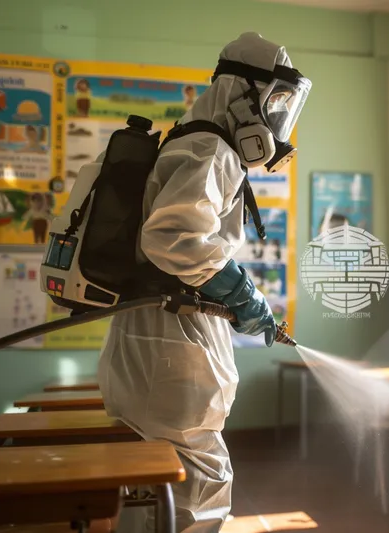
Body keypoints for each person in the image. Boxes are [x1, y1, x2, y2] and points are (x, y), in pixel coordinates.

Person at [96, 32, 310, 533]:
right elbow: (171, 237)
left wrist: (234, 289)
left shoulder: (195, 139)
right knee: (197, 482)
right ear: (242, 92)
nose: (278, 117)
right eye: (273, 99)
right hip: (172, 341)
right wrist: (241, 291)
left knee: (156, 480)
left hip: (155, 334)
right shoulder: (210, 147)